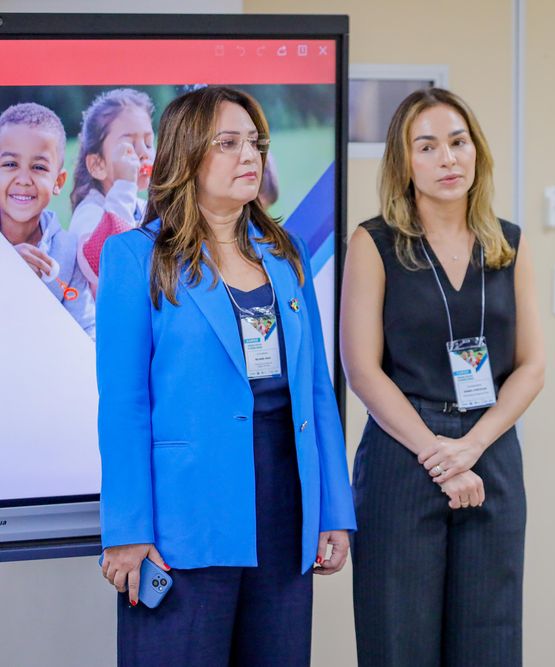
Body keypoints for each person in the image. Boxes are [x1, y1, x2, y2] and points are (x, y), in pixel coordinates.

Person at [96, 86, 355, 667]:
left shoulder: (284, 253)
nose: (251, 156)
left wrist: (332, 510)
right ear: (186, 153)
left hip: (285, 514)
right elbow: (124, 406)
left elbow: (316, 390)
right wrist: (128, 529)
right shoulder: (135, 257)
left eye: (256, 142)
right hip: (183, 523)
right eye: (229, 143)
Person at [341, 87, 544, 667]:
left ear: (476, 151)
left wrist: (473, 447)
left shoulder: (509, 243)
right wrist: (438, 455)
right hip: (404, 455)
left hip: (491, 451)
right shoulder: (374, 242)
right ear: (405, 163)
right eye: (426, 147)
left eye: (458, 143)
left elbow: (532, 367)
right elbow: (362, 368)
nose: (447, 159)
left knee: (490, 640)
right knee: (397, 639)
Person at [0, 102, 95, 338]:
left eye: (39, 167)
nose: (23, 179)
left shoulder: (69, 253)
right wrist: (8, 268)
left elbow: (84, 332)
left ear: (58, 182)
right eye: (10, 164)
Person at [69, 88, 155, 293]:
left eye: (149, 142)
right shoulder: (89, 213)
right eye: (128, 145)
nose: (144, 152)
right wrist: (125, 185)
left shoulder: (142, 207)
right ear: (97, 165)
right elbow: (105, 265)